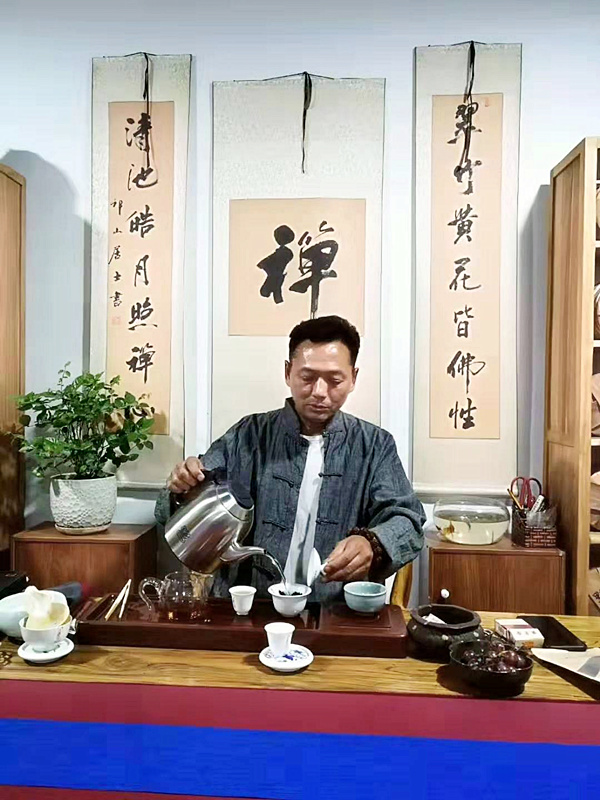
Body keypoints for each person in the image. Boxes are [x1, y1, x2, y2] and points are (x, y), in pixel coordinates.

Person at [155, 315, 425, 602]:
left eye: (334, 380)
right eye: (307, 378)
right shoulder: (249, 435)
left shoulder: (374, 446)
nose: (319, 392)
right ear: (288, 372)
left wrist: (373, 543)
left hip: (335, 609)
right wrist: (183, 487)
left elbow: (407, 519)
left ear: (353, 378)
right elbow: (168, 511)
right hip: (250, 606)